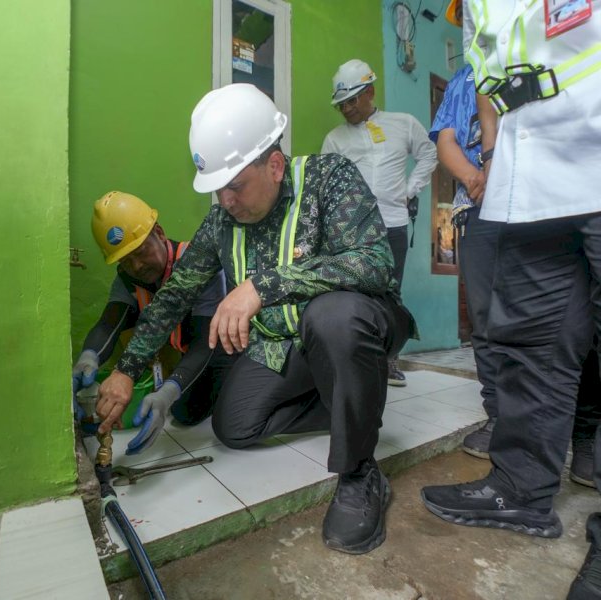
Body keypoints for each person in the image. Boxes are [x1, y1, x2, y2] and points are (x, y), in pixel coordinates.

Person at [96, 83, 414, 554]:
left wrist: (263, 286)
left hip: (356, 325)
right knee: (234, 426)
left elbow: (375, 262)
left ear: (275, 165)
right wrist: (126, 370)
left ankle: (359, 471)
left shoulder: (329, 179)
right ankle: (352, 400)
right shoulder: (222, 221)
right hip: (285, 345)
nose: (226, 200)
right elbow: (173, 297)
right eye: (218, 189)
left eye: (235, 186)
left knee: (332, 315)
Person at [419, 2, 601, 596]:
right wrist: (494, 159)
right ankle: (521, 486)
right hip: (534, 170)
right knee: (532, 339)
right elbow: (491, 76)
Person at [72, 191, 234, 455]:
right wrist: (87, 359)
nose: (137, 265)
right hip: (194, 355)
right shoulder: (129, 280)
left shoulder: (196, 263)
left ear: (158, 233)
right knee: (185, 412)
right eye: (126, 261)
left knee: (224, 418)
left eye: (141, 250)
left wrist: (169, 392)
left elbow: (207, 343)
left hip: (225, 351)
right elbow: (108, 323)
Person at [321, 59, 437, 387]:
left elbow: (428, 154)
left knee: (390, 293)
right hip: (352, 229)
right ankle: (352, 360)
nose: (345, 108)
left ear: (370, 91)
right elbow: (326, 183)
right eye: (340, 103)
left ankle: (388, 360)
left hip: (393, 223)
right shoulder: (334, 139)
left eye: (351, 100)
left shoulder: (403, 124)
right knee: (352, 291)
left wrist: (410, 189)